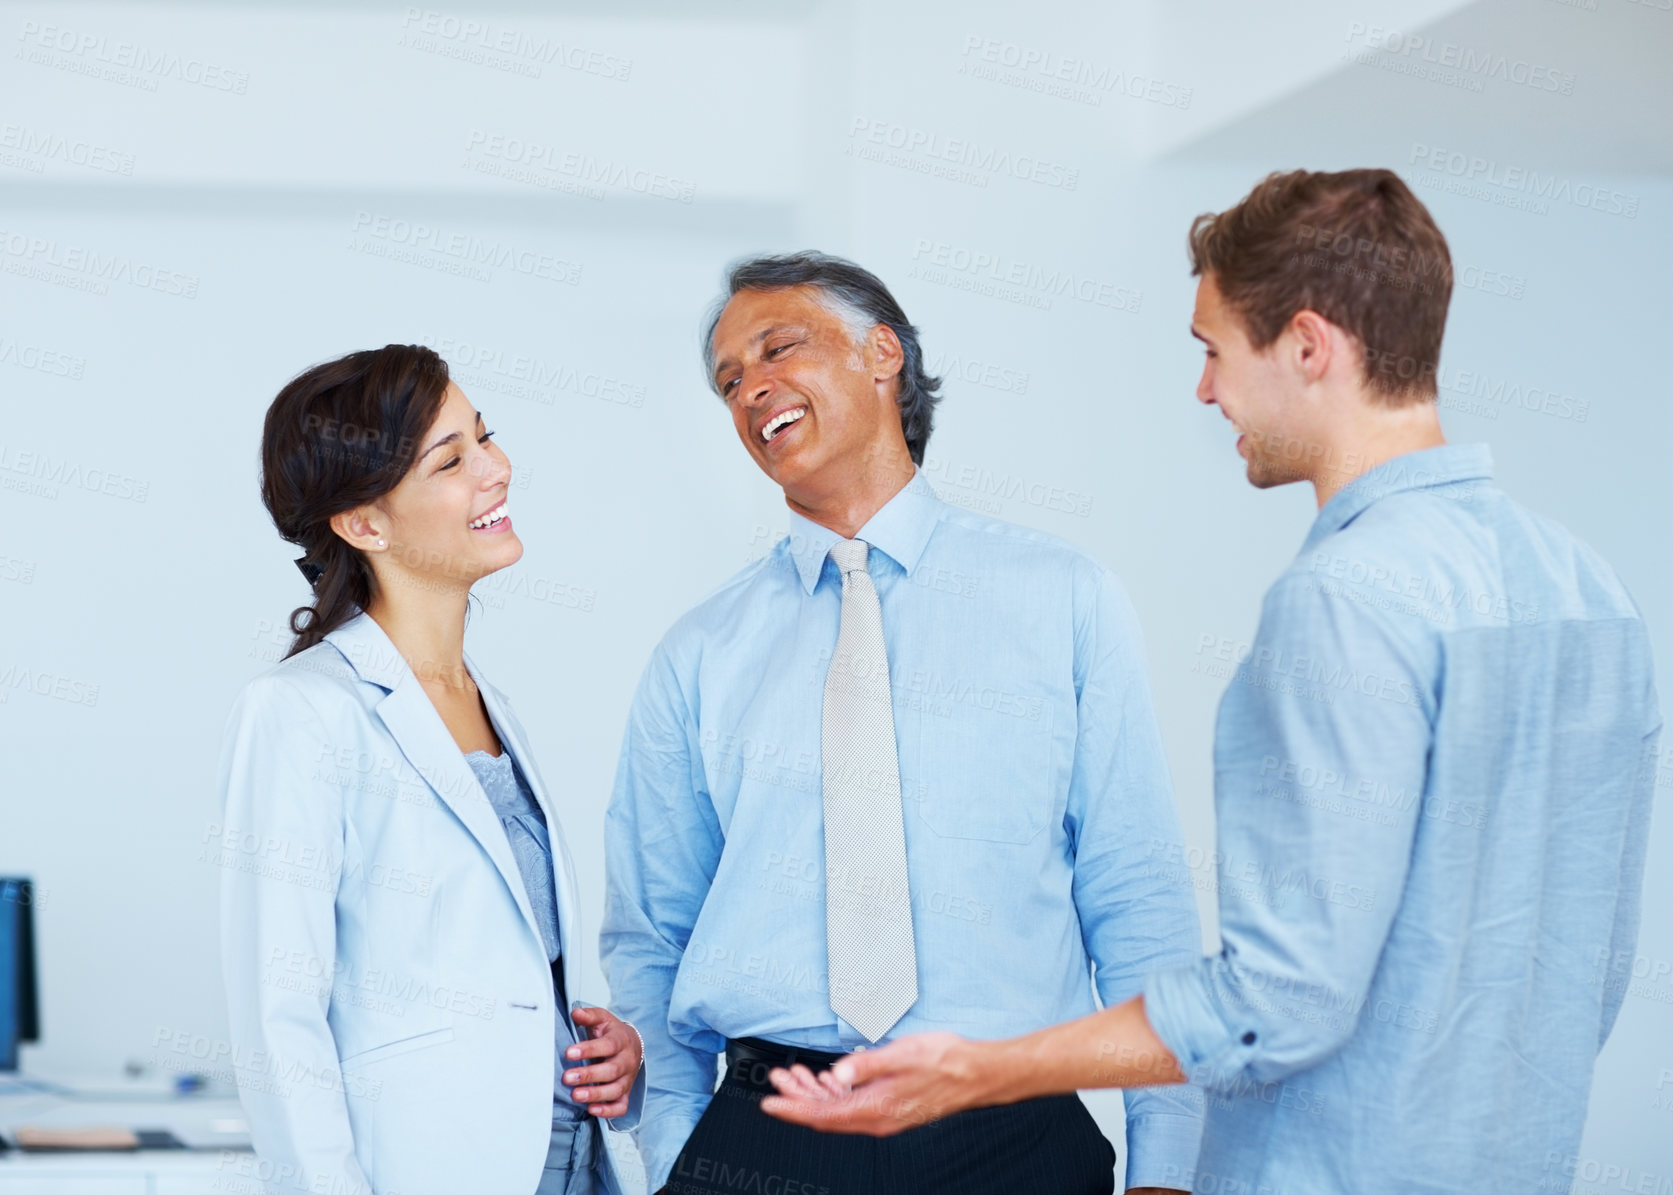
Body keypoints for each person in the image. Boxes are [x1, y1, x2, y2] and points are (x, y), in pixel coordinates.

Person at [759, 170, 1663, 1195]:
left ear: (1309, 347)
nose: (1204, 391)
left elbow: (1277, 999)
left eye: (1213, 349)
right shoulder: (1586, 588)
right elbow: (1587, 967)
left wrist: (978, 1070)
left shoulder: (1341, 597)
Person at [601, 253, 1202, 1195]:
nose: (751, 388)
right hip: (763, 1139)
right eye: (728, 381)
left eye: (777, 348)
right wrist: (678, 1154)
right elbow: (651, 934)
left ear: (882, 352)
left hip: (1014, 1131)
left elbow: (1135, 892)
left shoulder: (1063, 599)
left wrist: (1167, 1162)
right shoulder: (700, 652)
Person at [218, 345, 646, 1195]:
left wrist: (606, 1044)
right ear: (364, 524)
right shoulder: (301, 711)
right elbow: (280, 1023)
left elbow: (514, 962)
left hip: (574, 1165)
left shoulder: (488, 702)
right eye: (452, 460)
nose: (497, 469)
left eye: (485, 438)